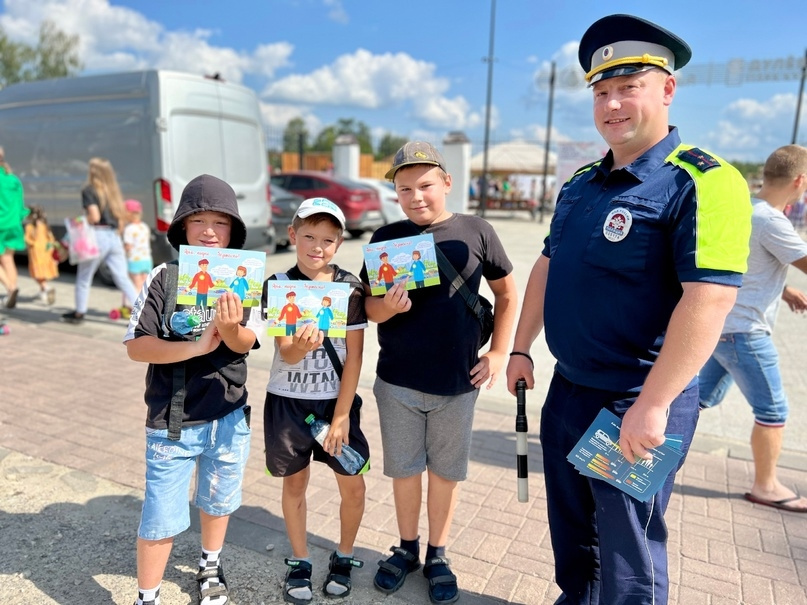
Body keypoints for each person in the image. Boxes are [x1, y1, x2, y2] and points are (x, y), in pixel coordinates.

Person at [505, 14, 752, 604]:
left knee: (628, 550)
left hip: (635, 399)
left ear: (667, 89)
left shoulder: (703, 181)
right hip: (570, 390)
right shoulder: (580, 184)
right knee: (573, 532)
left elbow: (710, 297)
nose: (612, 104)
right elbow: (548, 265)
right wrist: (520, 347)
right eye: (602, 91)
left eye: (629, 87)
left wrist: (655, 404)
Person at [361, 141, 517, 604]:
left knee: (446, 474)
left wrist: (499, 352)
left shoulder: (476, 230)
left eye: (426, 185)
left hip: (457, 383)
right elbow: (368, 309)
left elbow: (508, 294)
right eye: (404, 189)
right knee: (405, 471)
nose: (416, 197)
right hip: (397, 381)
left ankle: (438, 554)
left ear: (447, 183)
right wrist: (387, 308)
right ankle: (407, 548)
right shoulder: (385, 237)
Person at [123, 174, 263, 605]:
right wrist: (196, 346)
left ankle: (210, 564)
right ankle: (147, 596)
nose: (209, 231)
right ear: (182, 226)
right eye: (198, 220)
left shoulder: (244, 277)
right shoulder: (163, 277)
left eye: (220, 222)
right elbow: (137, 346)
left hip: (229, 414)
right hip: (173, 420)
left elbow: (248, 342)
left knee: (218, 501)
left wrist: (229, 328)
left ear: (233, 230)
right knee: (160, 516)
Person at [261, 197, 369, 604]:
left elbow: (355, 357)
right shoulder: (277, 286)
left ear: (339, 243)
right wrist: (302, 347)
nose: (317, 247)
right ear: (293, 235)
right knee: (295, 483)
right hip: (287, 402)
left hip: (335, 403)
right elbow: (286, 352)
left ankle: (344, 555)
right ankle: (300, 559)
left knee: (353, 484)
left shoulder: (351, 288)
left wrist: (341, 416)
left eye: (327, 239)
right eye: (308, 236)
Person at [699, 145, 807, 514]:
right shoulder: (772, 221)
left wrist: (784, 289)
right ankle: (766, 486)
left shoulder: (744, 208)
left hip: (723, 326)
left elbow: (745, 263)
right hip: (745, 333)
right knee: (773, 412)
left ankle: (631, 444)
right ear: (799, 180)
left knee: (695, 399)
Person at [61, 157, 139, 324]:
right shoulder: (113, 191)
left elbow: (94, 216)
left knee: (84, 276)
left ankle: (79, 313)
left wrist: (80, 220)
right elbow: (120, 218)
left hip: (96, 236)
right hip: (113, 236)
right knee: (122, 277)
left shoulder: (89, 190)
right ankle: (142, 312)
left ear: (93, 171)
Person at [0, 147, 29, 309]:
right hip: (13, 225)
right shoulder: (14, 180)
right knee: (8, 259)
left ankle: (11, 288)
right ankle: (12, 292)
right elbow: (20, 206)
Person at [23, 206, 59, 305]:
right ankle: (42, 291)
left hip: (36, 253)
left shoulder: (30, 227)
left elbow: (27, 239)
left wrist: (32, 244)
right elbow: (51, 238)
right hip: (46, 252)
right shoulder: (45, 225)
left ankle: (46, 288)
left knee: (36, 273)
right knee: (43, 272)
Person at [122, 198, 153, 300]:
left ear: (128, 214)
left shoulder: (129, 229)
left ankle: (136, 305)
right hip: (146, 259)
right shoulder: (145, 226)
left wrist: (122, 251)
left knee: (135, 285)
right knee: (145, 285)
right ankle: (146, 304)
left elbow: (128, 246)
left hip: (134, 260)